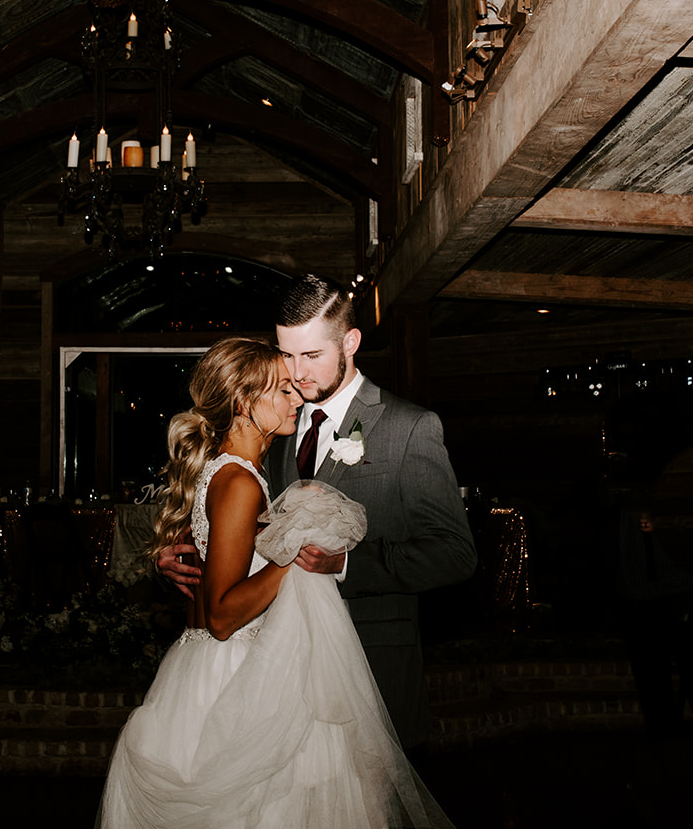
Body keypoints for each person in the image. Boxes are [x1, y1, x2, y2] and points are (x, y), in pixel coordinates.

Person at [97, 337, 451, 827]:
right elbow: (222, 616)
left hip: (217, 668)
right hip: (236, 677)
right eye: (283, 390)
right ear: (245, 402)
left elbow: (212, 555)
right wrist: (291, 559)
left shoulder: (235, 471)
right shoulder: (240, 481)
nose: (298, 398)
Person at [159, 275, 477, 750]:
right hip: (277, 676)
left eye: (311, 355)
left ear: (350, 342)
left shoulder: (410, 429)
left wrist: (347, 563)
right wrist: (187, 555)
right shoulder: (274, 431)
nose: (297, 372)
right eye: (286, 354)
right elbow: (238, 526)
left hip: (372, 663)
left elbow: (456, 554)